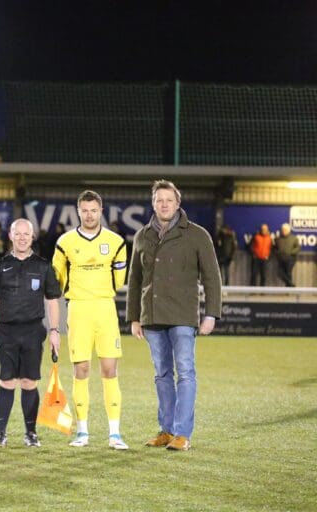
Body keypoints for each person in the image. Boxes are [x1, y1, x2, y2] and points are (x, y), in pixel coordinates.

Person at [126, 180, 222, 452]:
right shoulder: (142, 236)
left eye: (169, 200)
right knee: (162, 375)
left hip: (183, 316)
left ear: (178, 203)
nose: (164, 204)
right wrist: (134, 316)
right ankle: (166, 431)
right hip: (152, 316)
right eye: (159, 200)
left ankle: (182, 433)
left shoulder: (197, 234)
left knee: (186, 373)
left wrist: (211, 314)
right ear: (153, 204)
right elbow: (135, 280)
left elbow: (212, 278)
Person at [52, 190, 130, 450]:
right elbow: (56, 279)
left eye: (93, 210)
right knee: (81, 370)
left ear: (101, 211)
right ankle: (83, 432)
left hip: (105, 309)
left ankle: (115, 434)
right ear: (78, 211)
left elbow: (119, 279)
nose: (89, 214)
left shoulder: (116, 242)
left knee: (110, 369)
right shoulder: (64, 242)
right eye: (84, 210)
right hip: (78, 310)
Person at [0, 218, 61, 448]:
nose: (22, 238)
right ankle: (0, 434)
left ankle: (30, 433)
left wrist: (55, 331)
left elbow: (53, 301)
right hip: (6, 332)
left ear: (32, 236)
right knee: (7, 381)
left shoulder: (43, 266)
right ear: (11, 236)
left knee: (29, 382)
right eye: (18, 234)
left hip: (33, 332)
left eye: (27, 234)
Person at [274, 223, 300, 287]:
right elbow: (274, 247)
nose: (283, 231)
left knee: (288, 273)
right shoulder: (278, 238)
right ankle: (291, 285)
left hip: (290, 258)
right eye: (282, 230)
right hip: (281, 258)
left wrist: (291, 252)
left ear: (289, 230)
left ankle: (288, 289)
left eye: (285, 230)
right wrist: (277, 253)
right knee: (279, 273)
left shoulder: (294, 238)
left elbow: (298, 247)